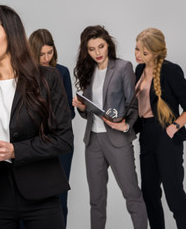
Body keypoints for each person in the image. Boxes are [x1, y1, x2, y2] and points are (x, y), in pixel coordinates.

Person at [0, 5, 73, 229]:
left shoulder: (47, 78)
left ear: (11, 33)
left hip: (41, 193)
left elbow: (63, 139)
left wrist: (15, 151)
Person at [72, 25, 147, 229]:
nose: (97, 52)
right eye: (91, 49)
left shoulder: (123, 67)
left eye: (101, 46)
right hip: (93, 141)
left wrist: (126, 125)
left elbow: (134, 104)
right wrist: (81, 107)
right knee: (96, 200)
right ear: (86, 51)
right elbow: (89, 111)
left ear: (108, 45)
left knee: (132, 195)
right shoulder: (88, 72)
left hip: (117, 139)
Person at [134, 28, 186, 229]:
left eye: (143, 52)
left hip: (166, 136)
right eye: (136, 49)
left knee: (173, 193)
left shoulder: (170, 71)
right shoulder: (139, 70)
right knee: (149, 194)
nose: (137, 55)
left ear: (156, 52)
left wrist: (174, 127)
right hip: (146, 135)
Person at [28, 28, 74, 227]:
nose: (46, 58)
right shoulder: (25, 75)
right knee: (30, 198)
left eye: (50, 52)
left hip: (58, 143)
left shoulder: (61, 72)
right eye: (41, 54)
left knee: (59, 199)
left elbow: (69, 114)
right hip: (33, 142)